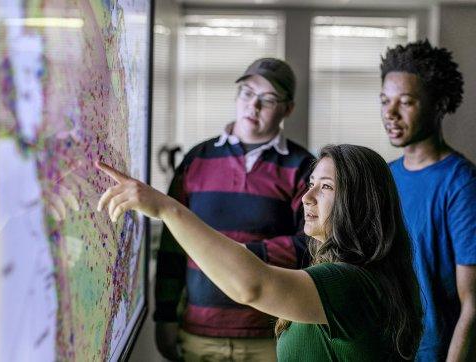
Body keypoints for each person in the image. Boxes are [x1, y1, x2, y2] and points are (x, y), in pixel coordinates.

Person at [95, 143, 423, 361]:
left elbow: (252, 284)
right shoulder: (358, 274)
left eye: (325, 187)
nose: (306, 198)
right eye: (310, 183)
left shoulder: (350, 282)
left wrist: (168, 208)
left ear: (360, 203)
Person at [153, 58, 313, 360]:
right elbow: (172, 246)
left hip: (270, 336)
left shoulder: (302, 167)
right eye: (248, 93)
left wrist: (239, 254)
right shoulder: (196, 160)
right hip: (200, 334)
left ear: (287, 109)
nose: (253, 106)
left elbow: (311, 246)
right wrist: (164, 316)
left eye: (268, 100)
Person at [380, 40, 476, 361]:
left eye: (405, 102)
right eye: (384, 101)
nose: (390, 113)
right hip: (386, 348)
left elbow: (473, 303)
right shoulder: (385, 176)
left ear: (439, 104)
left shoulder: (461, 182)